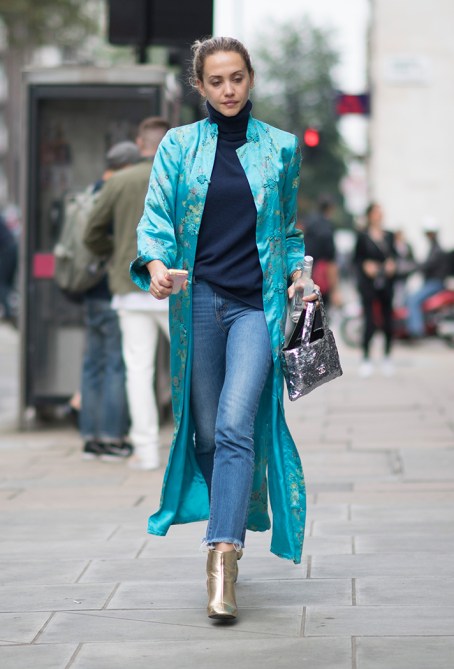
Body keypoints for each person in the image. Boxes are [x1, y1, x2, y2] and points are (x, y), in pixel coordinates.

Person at [129, 37, 319, 621]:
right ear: (201, 86)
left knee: (237, 424)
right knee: (209, 434)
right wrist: (156, 268)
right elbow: (156, 219)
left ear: (250, 78)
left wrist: (300, 273)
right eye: (216, 81)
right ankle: (228, 518)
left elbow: (288, 231)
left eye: (237, 78)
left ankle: (222, 557)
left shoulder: (281, 148)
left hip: (256, 308)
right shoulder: (179, 146)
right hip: (198, 303)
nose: (228, 89)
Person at [84, 117, 171, 471]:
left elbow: (91, 232)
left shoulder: (118, 181)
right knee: (191, 367)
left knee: (138, 369)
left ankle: (146, 451)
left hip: (128, 285)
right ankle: (197, 446)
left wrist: (118, 253)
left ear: (139, 143)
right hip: (174, 284)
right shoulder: (177, 177)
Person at [80, 141, 140, 461]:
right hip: (115, 289)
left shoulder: (95, 188)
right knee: (117, 364)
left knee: (93, 364)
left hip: (91, 289)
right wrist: (116, 252)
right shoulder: (128, 186)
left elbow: (90, 235)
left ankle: (90, 436)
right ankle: (111, 437)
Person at [353, 202, 397, 377]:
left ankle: (387, 357)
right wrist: (366, 266)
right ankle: (366, 358)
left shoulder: (389, 236)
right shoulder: (362, 236)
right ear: (370, 215)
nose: (379, 215)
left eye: (381, 212)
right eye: (376, 212)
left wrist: (392, 265)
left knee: (388, 321)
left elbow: (395, 256)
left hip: (386, 282)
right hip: (368, 284)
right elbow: (356, 260)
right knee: (369, 321)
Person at [406, 221, 450, 339]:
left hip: (435, 283)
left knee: (413, 300)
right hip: (433, 282)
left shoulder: (437, 250)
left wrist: (413, 267)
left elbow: (427, 265)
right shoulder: (434, 248)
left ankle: (416, 330)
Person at [303, 195, 341, 308]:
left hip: (303, 273)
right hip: (320, 279)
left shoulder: (308, 221)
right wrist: (335, 290)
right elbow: (331, 260)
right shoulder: (327, 227)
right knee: (319, 311)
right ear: (331, 208)